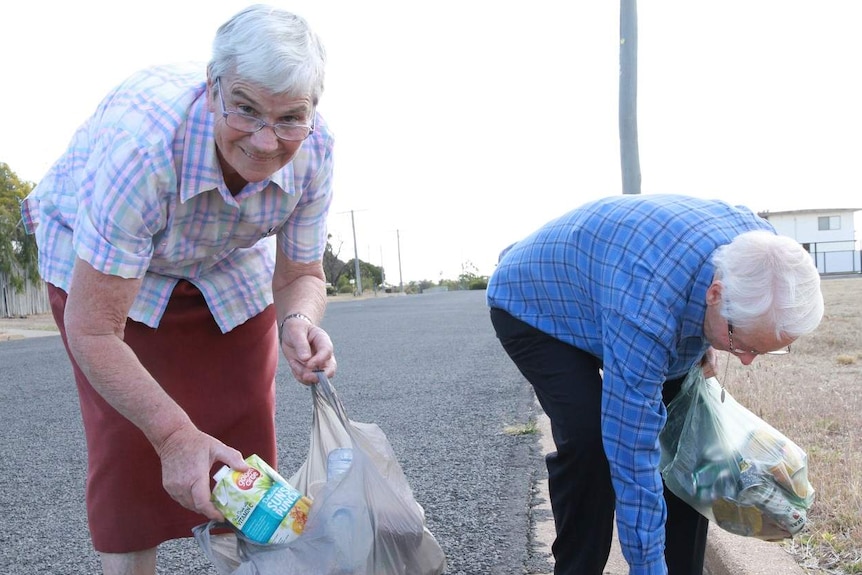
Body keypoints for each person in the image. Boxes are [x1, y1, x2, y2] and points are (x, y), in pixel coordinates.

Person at [20, 5, 336, 574]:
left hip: (224, 256)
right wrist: (171, 436)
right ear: (212, 89)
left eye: (289, 117)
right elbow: (94, 331)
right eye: (246, 110)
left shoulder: (315, 149)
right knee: (135, 448)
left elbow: (299, 276)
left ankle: (253, 564)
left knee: (244, 455)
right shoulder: (141, 152)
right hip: (104, 262)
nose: (266, 142)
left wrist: (299, 321)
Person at [486, 194, 824, 575]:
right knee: (592, 442)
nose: (745, 359)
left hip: (615, 284)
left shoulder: (765, 251)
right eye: (742, 344)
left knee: (684, 443)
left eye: (762, 350)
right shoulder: (646, 311)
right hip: (538, 307)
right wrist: (646, 567)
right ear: (716, 296)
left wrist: (716, 337)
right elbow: (632, 456)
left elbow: (678, 442)